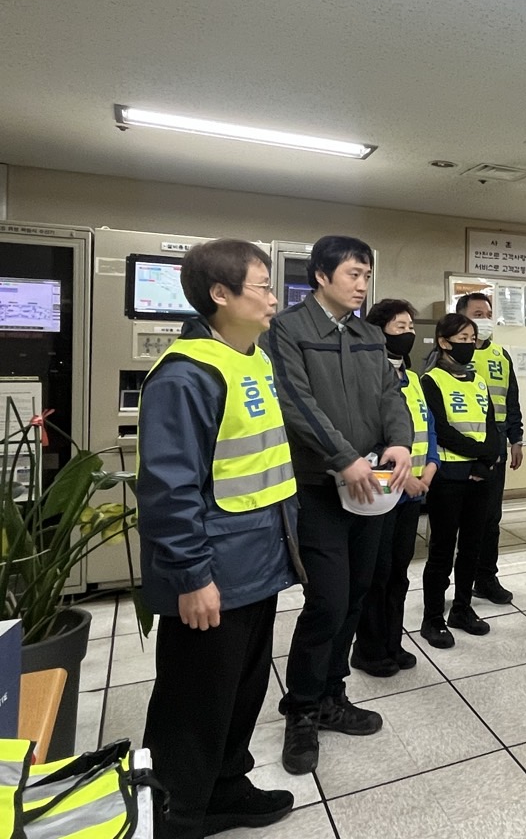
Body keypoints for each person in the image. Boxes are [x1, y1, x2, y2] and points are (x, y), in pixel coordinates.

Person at [138, 239, 303, 839]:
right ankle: (176, 815)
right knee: (194, 702)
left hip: (258, 563)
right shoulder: (185, 375)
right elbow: (168, 489)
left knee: (240, 691)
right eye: (262, 286)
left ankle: (226, 787)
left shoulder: (254, 360)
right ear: (220, 294)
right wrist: (192, 577)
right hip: (212, 574)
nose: (274, 298)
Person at [266, 235, 414, 775]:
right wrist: (342, 457)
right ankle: (302, 710)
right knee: (327, 600)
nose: (362, 284)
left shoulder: (368, 333)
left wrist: (401, 442)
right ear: (321, 276)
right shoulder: (288, 329)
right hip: (319, 486)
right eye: (353, 273)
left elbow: (390, 394)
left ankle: (332, 695)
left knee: (356, 594)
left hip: (370, 485)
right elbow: (295, 401)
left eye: (367, 275)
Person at [351, 299, 439, 677]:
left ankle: (392, 641)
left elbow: (427, 428)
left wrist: (430, 469)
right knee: (377, 573)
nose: (408, 333)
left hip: (413, 492)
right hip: (383, 493)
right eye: (399, 327)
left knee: (399, 573)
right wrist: (407, 480)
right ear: (378, 332)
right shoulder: (365, 377)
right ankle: (369, 649)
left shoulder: (414, 379)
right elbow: (368, 438)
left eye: (410, 327)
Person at [419, 313, 503, 647]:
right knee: (442, 548)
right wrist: (480, 454)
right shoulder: (431, 380)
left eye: (472, 339)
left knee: (472, 546)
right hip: (449, 476)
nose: (469, 344)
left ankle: (462, 608)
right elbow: (440, 428)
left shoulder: (478, 380)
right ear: (444, 342)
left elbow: (491, 424)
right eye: (462, 339)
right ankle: (432, 618)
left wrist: (486, 459)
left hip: (479, 475)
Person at [455, 292, 524, 605]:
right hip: (461, 447)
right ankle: (457, 583)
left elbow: (511, 400)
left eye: (487, 314)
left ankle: (485, 578)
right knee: (461, 520)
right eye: (477, 314)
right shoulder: (451, 355)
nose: (484, 320)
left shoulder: (500, 355)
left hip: (496, 445)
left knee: (491, 518)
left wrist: (516, 438)